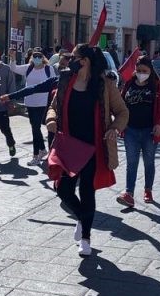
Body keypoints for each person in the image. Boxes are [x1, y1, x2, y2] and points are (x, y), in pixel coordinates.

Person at [46, 44, 128, 256]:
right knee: (63, 190)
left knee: (87, 191)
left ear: (85, 61)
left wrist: (114, 129)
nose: (68, 60)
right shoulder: (65, 81)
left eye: (73, 57)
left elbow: (122, 112)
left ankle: (86, 239)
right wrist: (52, 119)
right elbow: (54, 106)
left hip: (93, 147)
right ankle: (83, 219)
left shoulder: (104, 84)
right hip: (69, 146)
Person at [116, 56, 160, 206]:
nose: (141, 73)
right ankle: (129, 193)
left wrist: (159, 124)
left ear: (151, 71)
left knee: (148, 162)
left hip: (149, 131)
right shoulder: (129, 84)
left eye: (144, 71)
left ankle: (148, 190)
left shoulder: (157, 86)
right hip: (130, 130)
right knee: (131, 163)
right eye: (138, 70)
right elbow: (121, 103)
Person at [9, 48, 56, 166]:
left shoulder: (48, 69)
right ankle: (42, 150)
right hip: (30, 103)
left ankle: (36, 155)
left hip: (43, 103)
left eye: (39, 56)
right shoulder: (28, 68)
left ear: (43, 58)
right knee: (35, 128)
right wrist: (12, 57)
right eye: (34, 56)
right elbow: (14, 68)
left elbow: (54, 84)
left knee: (36, 128)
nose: (37, 59)